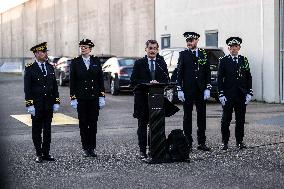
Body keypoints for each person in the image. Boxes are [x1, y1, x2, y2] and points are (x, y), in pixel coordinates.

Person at [130, 40, 169, 159]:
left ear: (157, 50)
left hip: (156, 98)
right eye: (150, 48)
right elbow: (133, 81)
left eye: (154, 48)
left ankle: (154, 149)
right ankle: (142, 150)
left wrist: (158, 83)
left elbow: (166, 79)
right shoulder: (139, 63)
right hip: (142, 98)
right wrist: (147, 83)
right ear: (145, 49)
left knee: (155, 124)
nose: (152, 51)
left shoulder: (161, 63)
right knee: (142, 125)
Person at [24, 42, 60, 163]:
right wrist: (29, 104)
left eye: (46, 52)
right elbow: (27, 88)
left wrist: (56, 101)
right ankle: (38, 154)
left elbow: (54, 86)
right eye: (43, 52)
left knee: (48, 130)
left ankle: (46, 153)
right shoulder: (30, 68)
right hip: (37, 105)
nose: (45, 54)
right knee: (37, 130)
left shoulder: (50, 67)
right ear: (36, 53)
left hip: (48, 104)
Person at [69, 39, 105, 157]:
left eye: (85, 47)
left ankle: (92, 148)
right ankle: (85, 147)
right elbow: (72, 81)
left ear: (90, 49)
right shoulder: (75, 62)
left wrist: (102, 95)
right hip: (81, 98)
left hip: (94, 97)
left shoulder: (95, 61)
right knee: (83, 123)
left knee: (93, 122)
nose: (82, 49)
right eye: (81, 47)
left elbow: (100, 79)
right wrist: (73, 97)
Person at [177, 32, 212, 151]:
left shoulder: (203, 54)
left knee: (201, 116)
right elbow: (179, 72)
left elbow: (207, 71)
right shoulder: (183, 54)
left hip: (201, 90)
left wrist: (207, 87)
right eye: (187, 41)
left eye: (191, 40)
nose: (189, 43)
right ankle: (188, 142)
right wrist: (179, 89)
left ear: (197, 41)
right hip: (188, 90)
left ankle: (201, 142)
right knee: (187, 117)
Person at [217, 37, 253, 150]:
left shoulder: (244, 60)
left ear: (239, 47)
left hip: (241, 95)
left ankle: (239, 141)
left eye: (235, 46)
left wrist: (249, 92)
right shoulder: (223, 60)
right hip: (228, 95)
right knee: (226, 120)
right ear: (228, 48)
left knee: (240, 120)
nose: (233, 49)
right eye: (231, 47)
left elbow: (248, 77)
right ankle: (225, 142)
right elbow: (219, 79)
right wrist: (221, 94)